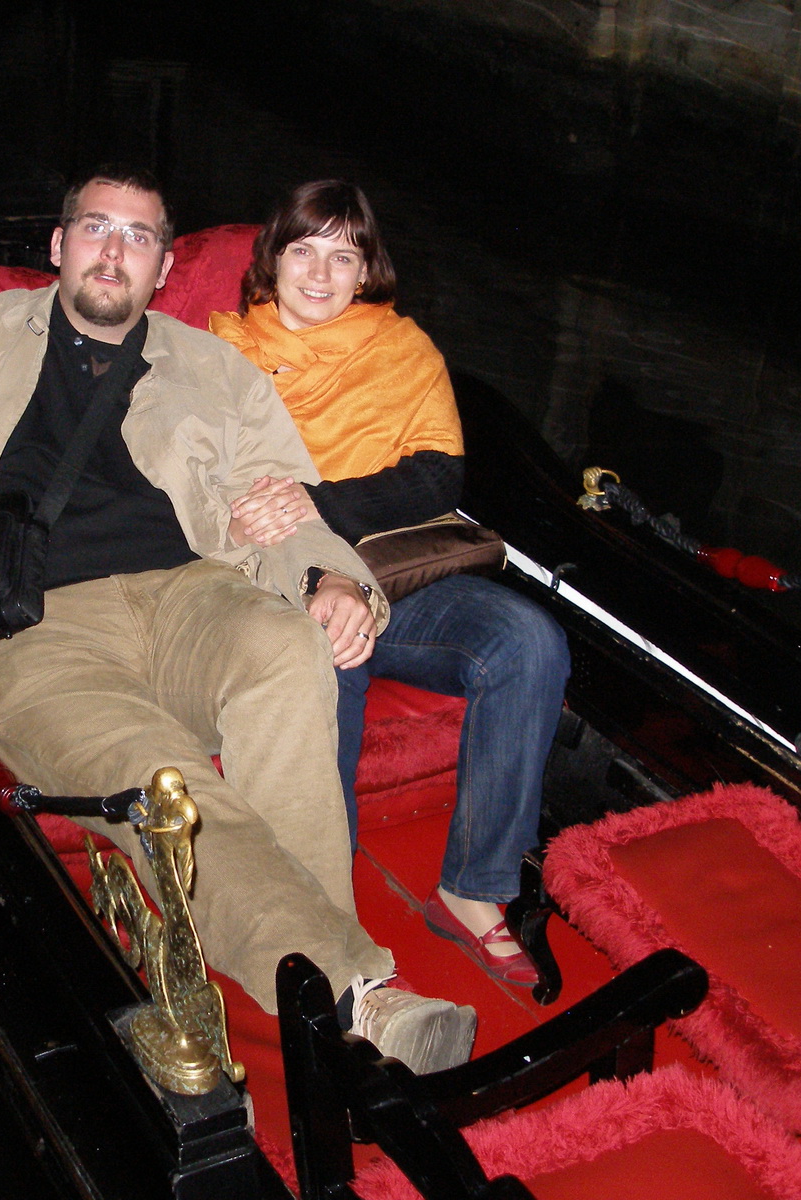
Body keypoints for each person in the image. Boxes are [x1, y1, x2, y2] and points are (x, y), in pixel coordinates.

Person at [0, 166, 476, 1072]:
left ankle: (323, 980)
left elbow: (280, 503)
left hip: (189, 592)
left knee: (287, 647)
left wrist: (329, 579)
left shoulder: (212, 366)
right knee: (158, 775)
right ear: (59, 245)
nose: (113, 251)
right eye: (96, 228)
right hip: (29, 625)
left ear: (163, 268)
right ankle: (357, 994)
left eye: (138, 236)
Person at [210, 180, 570, 988]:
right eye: (304, 251)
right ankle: (317, 897)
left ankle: (474, 887)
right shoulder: (221, 354)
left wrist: (320, 500)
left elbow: (438, 474)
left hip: (393, 571)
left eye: (344, 256)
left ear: (367, 269)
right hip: (274, 576)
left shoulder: (402, 350)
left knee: (528, 641)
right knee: (332, 650)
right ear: (272, 259)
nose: (320, 273)